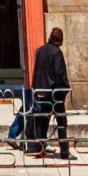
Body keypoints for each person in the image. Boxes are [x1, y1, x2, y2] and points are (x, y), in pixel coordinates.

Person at [25, 26, 70, 157]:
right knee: (61, 121)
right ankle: (64, 151)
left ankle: (40, 149)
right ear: (60, 39)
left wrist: (35, 87)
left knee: (42, 121)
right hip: (54, 93)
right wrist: (64, 88)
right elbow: (59, 73)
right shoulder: (56, 52)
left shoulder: (40, 50)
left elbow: (36, 71)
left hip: (41, 91)